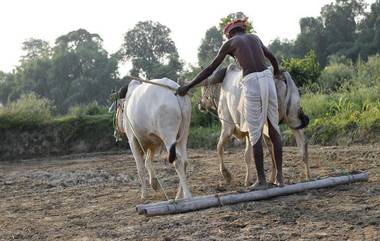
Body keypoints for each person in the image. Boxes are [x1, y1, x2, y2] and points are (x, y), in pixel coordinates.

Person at [176, 17, 283, 190]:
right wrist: (276, 72)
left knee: (254, 133)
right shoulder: (254, 38)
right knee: (273, 130)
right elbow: (271, 57)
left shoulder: (230, 44)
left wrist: (188, 86)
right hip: (268, 78)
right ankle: (280, 178)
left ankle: (262, 181)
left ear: (228, 34)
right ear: (242, 29)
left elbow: (210, 69)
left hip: (251, 82)